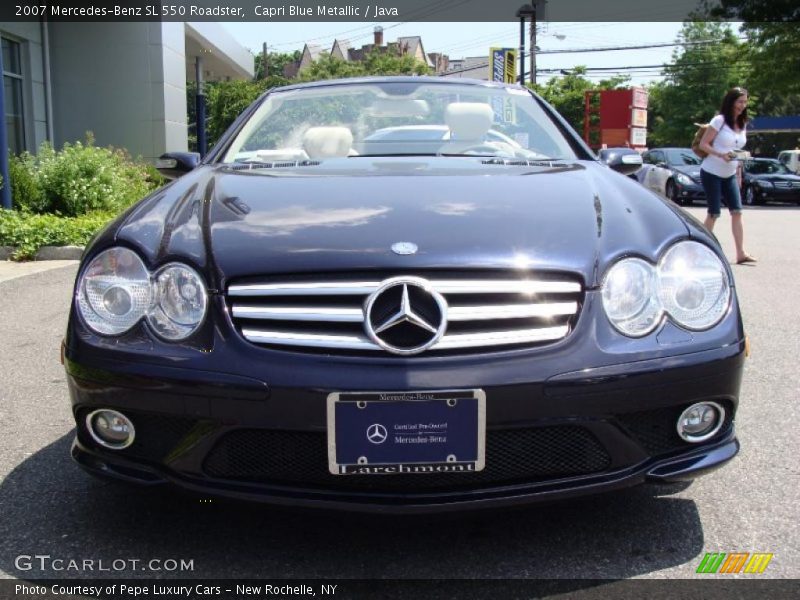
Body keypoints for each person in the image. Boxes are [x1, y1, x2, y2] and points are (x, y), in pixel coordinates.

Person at [698, 87, 756, 264]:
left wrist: (739, 172)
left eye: (745, 102)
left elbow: (736, 150)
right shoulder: (719, 120)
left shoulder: (742, 123)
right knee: (714, 213)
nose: (742, 105)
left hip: (730, 173)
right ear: (731, 102)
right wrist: (720, 154)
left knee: (737, 212)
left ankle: (740, 253)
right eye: (740, 101)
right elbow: (703, 144)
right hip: (711, 172)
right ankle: (700, 251)